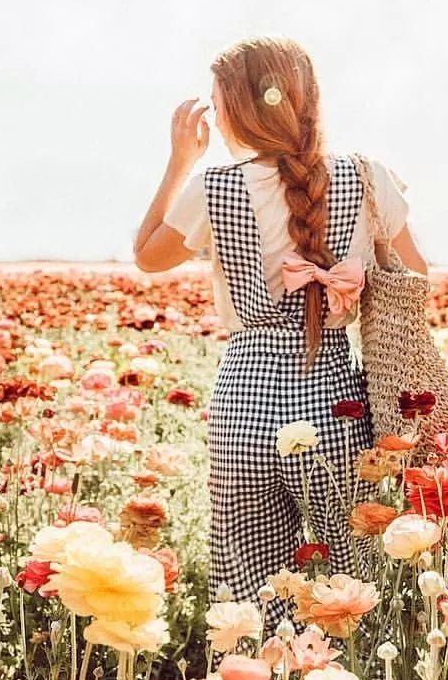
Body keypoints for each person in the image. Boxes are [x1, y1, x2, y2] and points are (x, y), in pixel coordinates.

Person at [134, 36, 426, 603]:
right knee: (359, 580)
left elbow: (147, 257)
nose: (214, 120)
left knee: (251, 590)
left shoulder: (212, 188)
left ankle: (257, 679)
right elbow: (415, 277)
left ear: (242, 108)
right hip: (336, 399)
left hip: (245, 400)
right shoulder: (368, 177)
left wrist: (179, 162)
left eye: (218, 105)